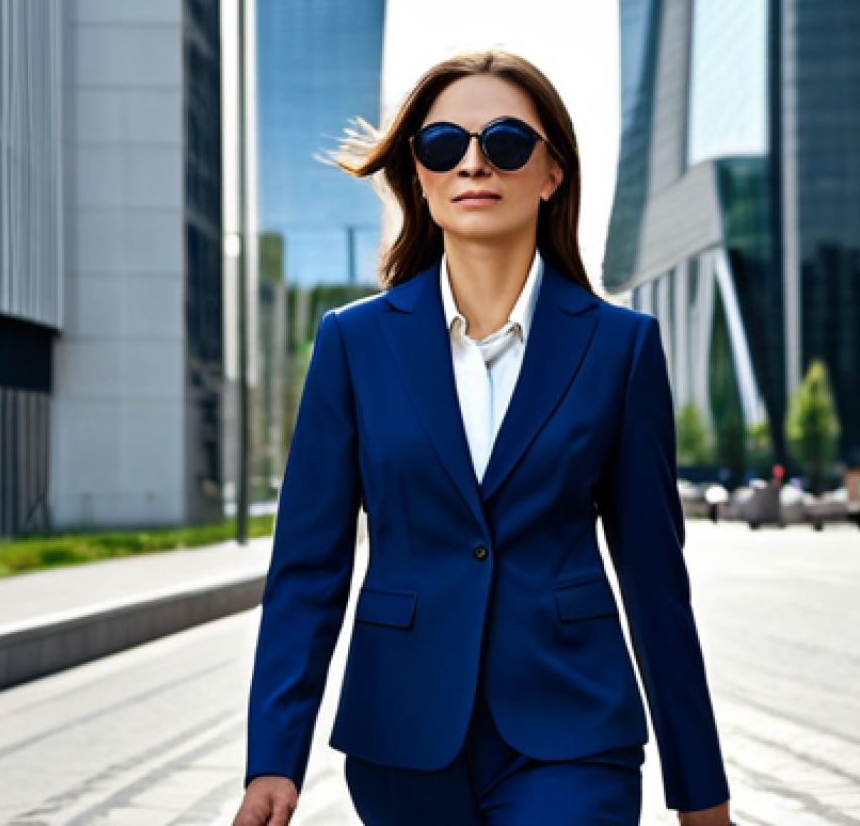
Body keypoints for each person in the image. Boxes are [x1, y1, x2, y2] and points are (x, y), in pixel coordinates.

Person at [232, 51, 735, 826]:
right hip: (402, 732)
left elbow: (655, 579)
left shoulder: (621, 348)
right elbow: (308, 567)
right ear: (420, 177)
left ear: (551, 173)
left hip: (574, 729)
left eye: (504, 142)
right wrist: (273, 758)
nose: (473, 162)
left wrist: (700, 788)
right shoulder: (353, 345)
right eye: (443, 145)